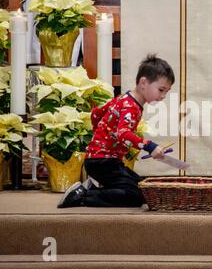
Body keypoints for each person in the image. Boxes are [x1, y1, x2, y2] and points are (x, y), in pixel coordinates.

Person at [57, 54, 175, 208]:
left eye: (166, 91)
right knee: (137, 196)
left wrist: (101, 137)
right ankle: (82, 196)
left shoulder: (124, 98)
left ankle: (92, 188)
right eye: (161, 90)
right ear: (143, 83)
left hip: (103, 160)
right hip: (103, 162)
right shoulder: (130, 106)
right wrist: (150, 147)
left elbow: (96, 114)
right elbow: (124, 134)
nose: (163, 96)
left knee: (143, 189)